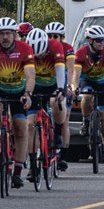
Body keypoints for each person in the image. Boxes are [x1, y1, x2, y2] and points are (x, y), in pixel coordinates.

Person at [0, 17, 36, 188]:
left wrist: (27, 93)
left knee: (20, 127)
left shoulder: (25, 49)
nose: (5, 37)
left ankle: (17, 171)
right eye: (2, 34)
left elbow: (30, 74)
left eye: (8, 33)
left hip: (19, 90)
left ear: (15, 34)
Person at [24, 28, 67, 181]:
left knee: (57, 101)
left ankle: (57, 133)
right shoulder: (26, 50)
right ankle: (32, 165)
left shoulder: (56, 46)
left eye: (42, 54)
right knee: (30, 124)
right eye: (37, 56)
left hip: (53, 83)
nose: (40, 57)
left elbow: (61, 70)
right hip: (35, 85)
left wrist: (61, 89)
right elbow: (25, 75)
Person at [70, 25, 104, 163]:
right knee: (87, 96)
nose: (101, 42)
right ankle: (85, 120)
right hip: (87, 80)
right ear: (90, 41)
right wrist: (75, 87)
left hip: (102, 81)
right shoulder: (80, 53)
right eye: (98, 40)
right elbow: (76, 74)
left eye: (102, 40)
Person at [45, 21, 74, 171]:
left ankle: (63, 155)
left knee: (64, 121)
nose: (52, 38)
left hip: (62, 83)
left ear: (61, 37)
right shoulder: (43, 46)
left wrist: (69, 86)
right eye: (49, 36)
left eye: (55, 36)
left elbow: (70, 69)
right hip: (48, 82)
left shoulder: (67, 48)